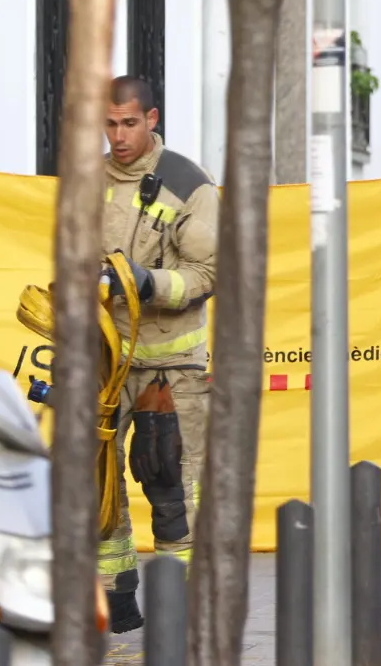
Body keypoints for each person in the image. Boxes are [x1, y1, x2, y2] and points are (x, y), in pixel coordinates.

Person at [98, 76, 218, 633]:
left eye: (128, 123)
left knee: (168, 486)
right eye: (110, 124)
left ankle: (179, 619)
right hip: (104, 361)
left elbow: (207, 273)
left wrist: (147, 284)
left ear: (151, 118)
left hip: (170, 368)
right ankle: (116, 606)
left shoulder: (189, 185)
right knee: (95, 487)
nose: (118, 136)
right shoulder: (90, 181)